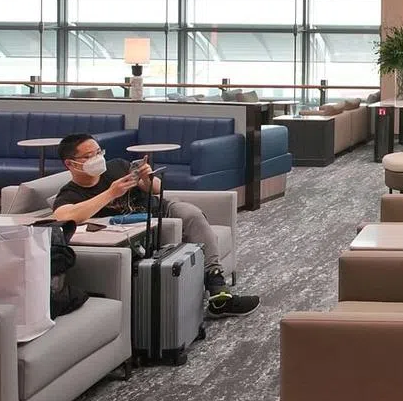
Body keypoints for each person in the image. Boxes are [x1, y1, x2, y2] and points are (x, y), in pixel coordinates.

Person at [53, 133, 259, 318]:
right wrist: (110, 193)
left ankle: (217, 287)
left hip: (160, 209)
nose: (97, 159)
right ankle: (212, 297)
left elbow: (157, 189)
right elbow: (64, 215)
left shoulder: (117, 166)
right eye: (89, 156)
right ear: (70, 164)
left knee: (192, 215)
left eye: (99, 152)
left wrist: (147, 178)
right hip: (136, 228)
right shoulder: (70, 193)